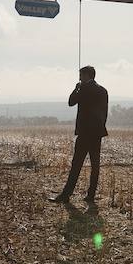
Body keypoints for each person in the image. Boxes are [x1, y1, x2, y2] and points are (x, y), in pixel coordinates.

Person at [50, 65, 109, 206]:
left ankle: (66, 194)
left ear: (87, 75)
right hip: (96, 133)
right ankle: (91, 195)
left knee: (76, 165)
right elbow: (104, 112)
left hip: (84, 133)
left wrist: (76, 88)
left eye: (81, 75)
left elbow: (71, 102)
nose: (79, 78)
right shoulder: (102, 90)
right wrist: (99, 128)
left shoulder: (83, 89)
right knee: (95, 165)